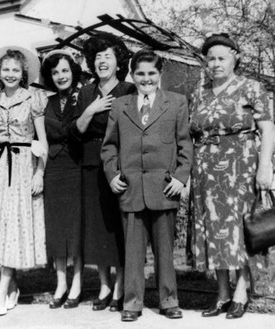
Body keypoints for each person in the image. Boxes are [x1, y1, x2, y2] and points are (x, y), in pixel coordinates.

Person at [101, 49, 193, 322]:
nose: (146, 79)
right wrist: (112, 174)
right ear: (132, 75)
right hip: (130, 187)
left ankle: (169, 300)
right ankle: (132, 302)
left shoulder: (176, 103)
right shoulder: (120, 105)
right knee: (132, 250)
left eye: (152, 73)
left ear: (160, 74)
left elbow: (185, 143)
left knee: (165, 249)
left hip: (164, 187)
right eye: (140, 73)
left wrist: (180, 177)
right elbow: (109, 147)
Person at [189, 33, 275, 319]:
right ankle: (222, 293)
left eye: (221, 58)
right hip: (205, 167)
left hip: (240, 164)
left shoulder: (250, 89)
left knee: (237, 226)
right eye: (210, 58)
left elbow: (267, 130)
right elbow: (192, 130)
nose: (215, 64)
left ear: (235, 57)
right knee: (213, 227)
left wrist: (265, 167)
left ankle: (241, 289)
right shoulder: (199, 92)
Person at [0, 47, 48, 316]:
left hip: (24, 163)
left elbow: (43, 142)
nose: (11, 74)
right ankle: (12, 283)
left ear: (23, 72)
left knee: (14, 224)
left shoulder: (34, 99)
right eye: (6, 70)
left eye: (16, 70)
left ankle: (1, 289)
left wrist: (40, 172)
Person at [69, 32, 135, 311]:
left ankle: (121, 284)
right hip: (91, 163)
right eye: (97, 57)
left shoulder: (129, 90)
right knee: (97, 229)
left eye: (107, 56)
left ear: (119, 62)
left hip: (121, 163)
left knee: (118, 226)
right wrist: (91, 109)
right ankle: (104, 284)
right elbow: (76, 131)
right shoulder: (86, 92)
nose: (101, 61)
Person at [39, 49, 83, 309]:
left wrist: (61, 129)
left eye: (65, 70)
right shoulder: (45, 102)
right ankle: (61, 283)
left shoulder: (84, 97)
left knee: (76, 227)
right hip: (54, 168)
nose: (61, 76)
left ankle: (77, 282)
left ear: (73, 72)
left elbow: (79, 130)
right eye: (55, 72)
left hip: (77, 166)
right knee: (56, 227)